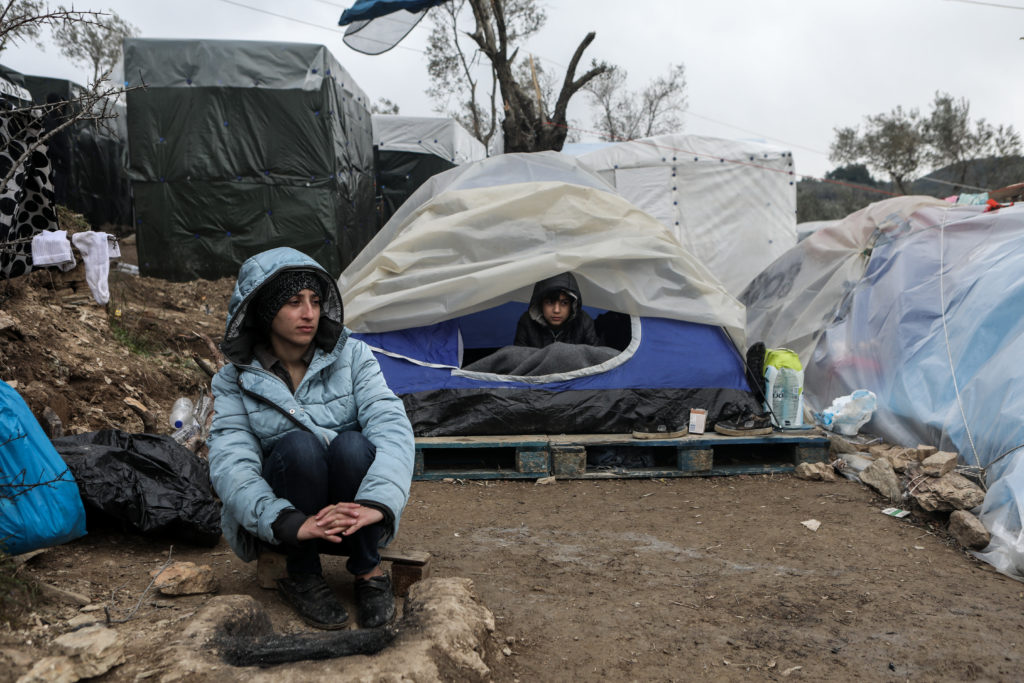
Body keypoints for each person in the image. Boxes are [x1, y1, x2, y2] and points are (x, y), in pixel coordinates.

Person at [208, 247, 414, 631]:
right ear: (266, 311)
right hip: (287, 521)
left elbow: (391, 427)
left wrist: (377, 503)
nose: (309, 313)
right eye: (293, 301)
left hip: (353, 513)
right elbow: (230, 462)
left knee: (352, 446)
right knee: (298, 447)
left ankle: (368, 572)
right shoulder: (234, 380)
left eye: (316, 301)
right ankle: (301, 574)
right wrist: (286, 520)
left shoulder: (354, 357)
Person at [513, 272, 599, 348]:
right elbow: (518, 361)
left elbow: (597, 359)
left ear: (572, 305)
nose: (557, 310)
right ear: (540, 304)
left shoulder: (584, 322)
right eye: (549, 302)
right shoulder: (527, 322)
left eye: (564, 303)